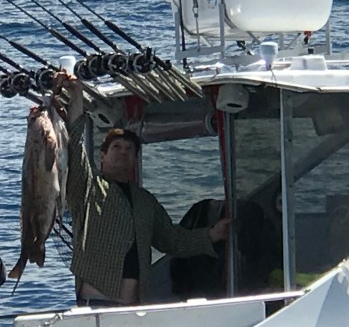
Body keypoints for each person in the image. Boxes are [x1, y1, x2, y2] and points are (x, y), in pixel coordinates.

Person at [56, 73, 230, 306]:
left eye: (129, 149)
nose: (123, 152)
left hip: (135, 306)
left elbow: (171, 240)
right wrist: (75, 95)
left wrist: (212, 234)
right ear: (102, 156)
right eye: (116, 147)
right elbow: (75, 150)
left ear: (135, 160)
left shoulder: (144, 201)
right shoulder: (87, 188)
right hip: (96, 303)